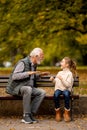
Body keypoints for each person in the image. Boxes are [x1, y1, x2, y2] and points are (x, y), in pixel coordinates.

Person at [6, 47, 49, 124]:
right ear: (35, 56)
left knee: (42, 92)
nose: (43, 58)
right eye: (41, 56)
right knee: (28, 89)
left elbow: (31, 77)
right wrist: (28, 73)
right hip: (18, 88)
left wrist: (40, 75)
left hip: (28, 87)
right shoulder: (22, 63)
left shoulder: (34, 64)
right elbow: (14, 76)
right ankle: (26, 115)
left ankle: (30, 114)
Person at [50, 57, 77, 122]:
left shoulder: (69, 74)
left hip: (66, 89)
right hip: (59, 89)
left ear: (67, 65)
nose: (60, 63)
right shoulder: (59, 72)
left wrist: (62, 79)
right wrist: (53, 80)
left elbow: (68, 85)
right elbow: (56, 82)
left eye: (62, 62)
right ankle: (58, 112)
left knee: (66, 94)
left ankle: (66, 113)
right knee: (56, 95)